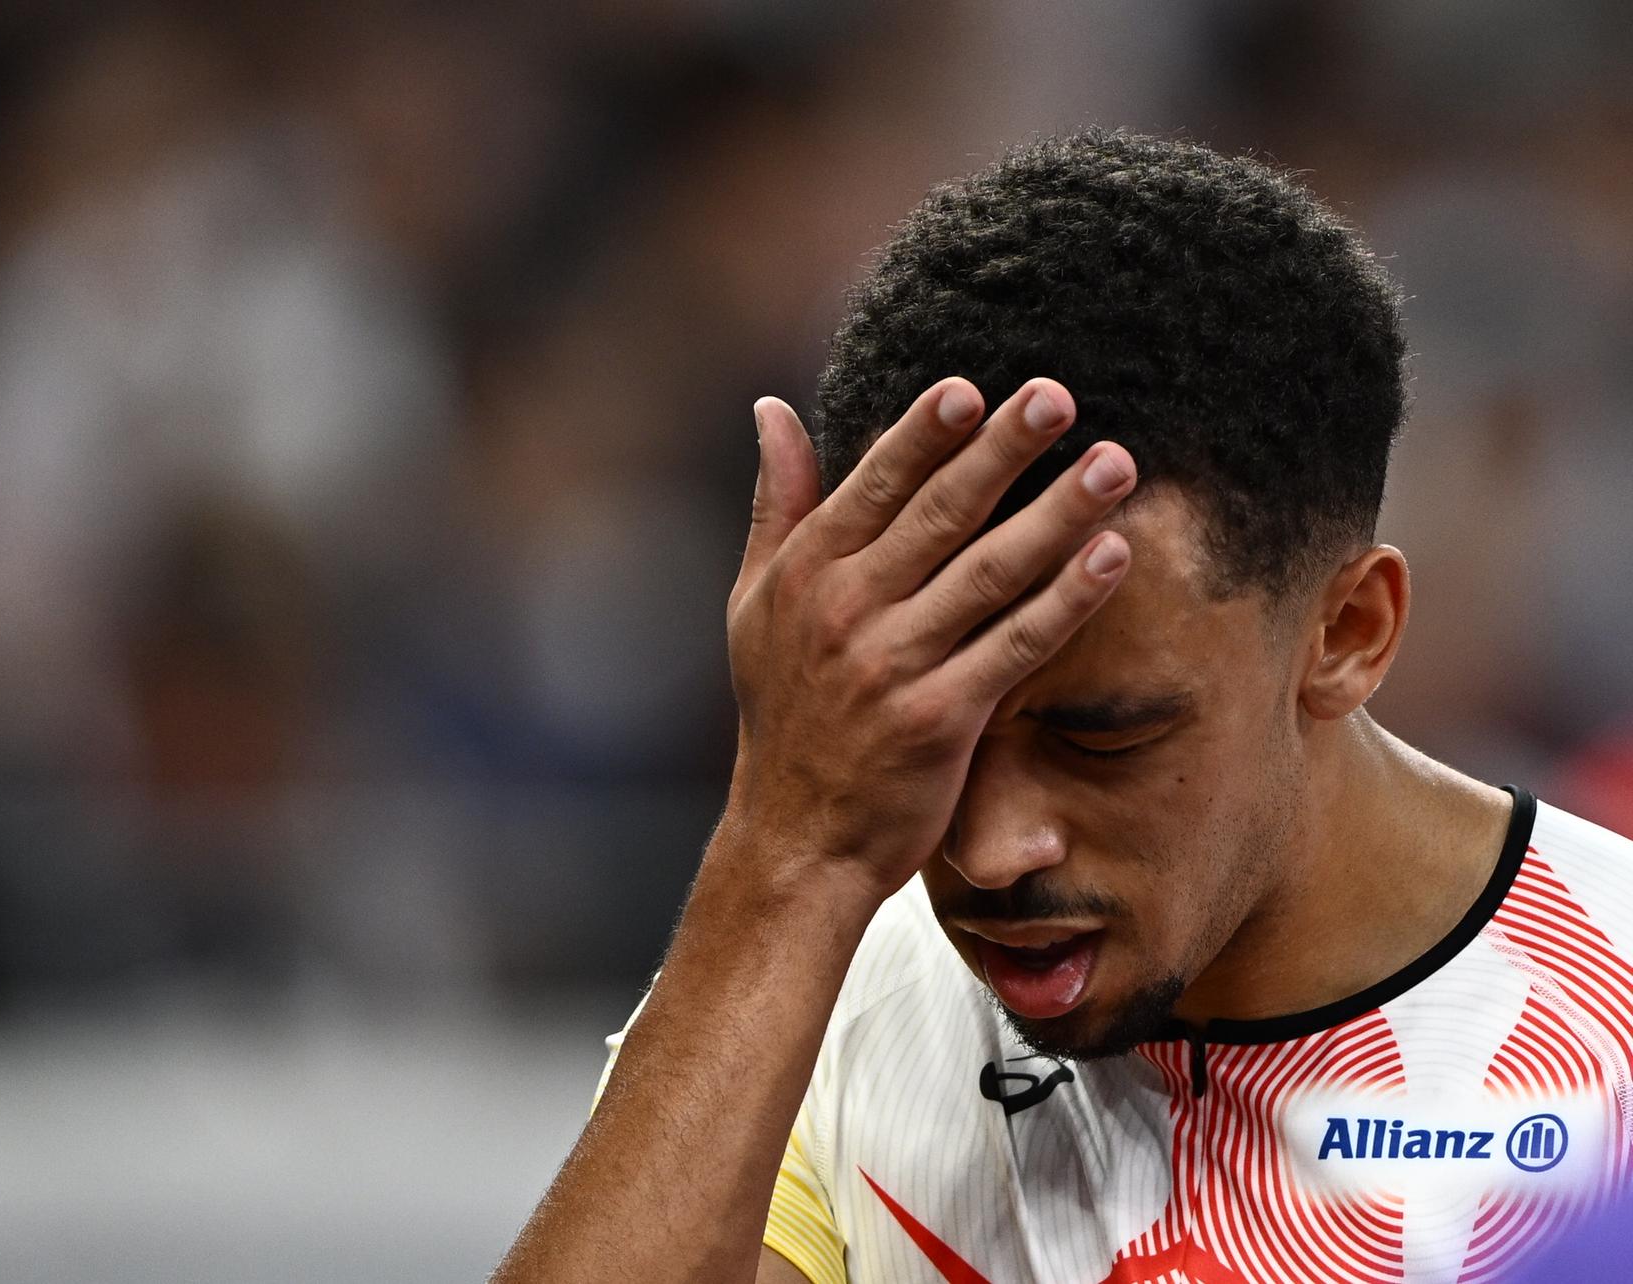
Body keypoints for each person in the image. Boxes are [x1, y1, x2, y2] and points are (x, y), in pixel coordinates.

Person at [490, 128, 1633, 1284]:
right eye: (929, 735)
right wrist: (784, 849)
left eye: (1105, 737)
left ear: (1347, 634)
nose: (992, 851)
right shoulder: (810, 1004)